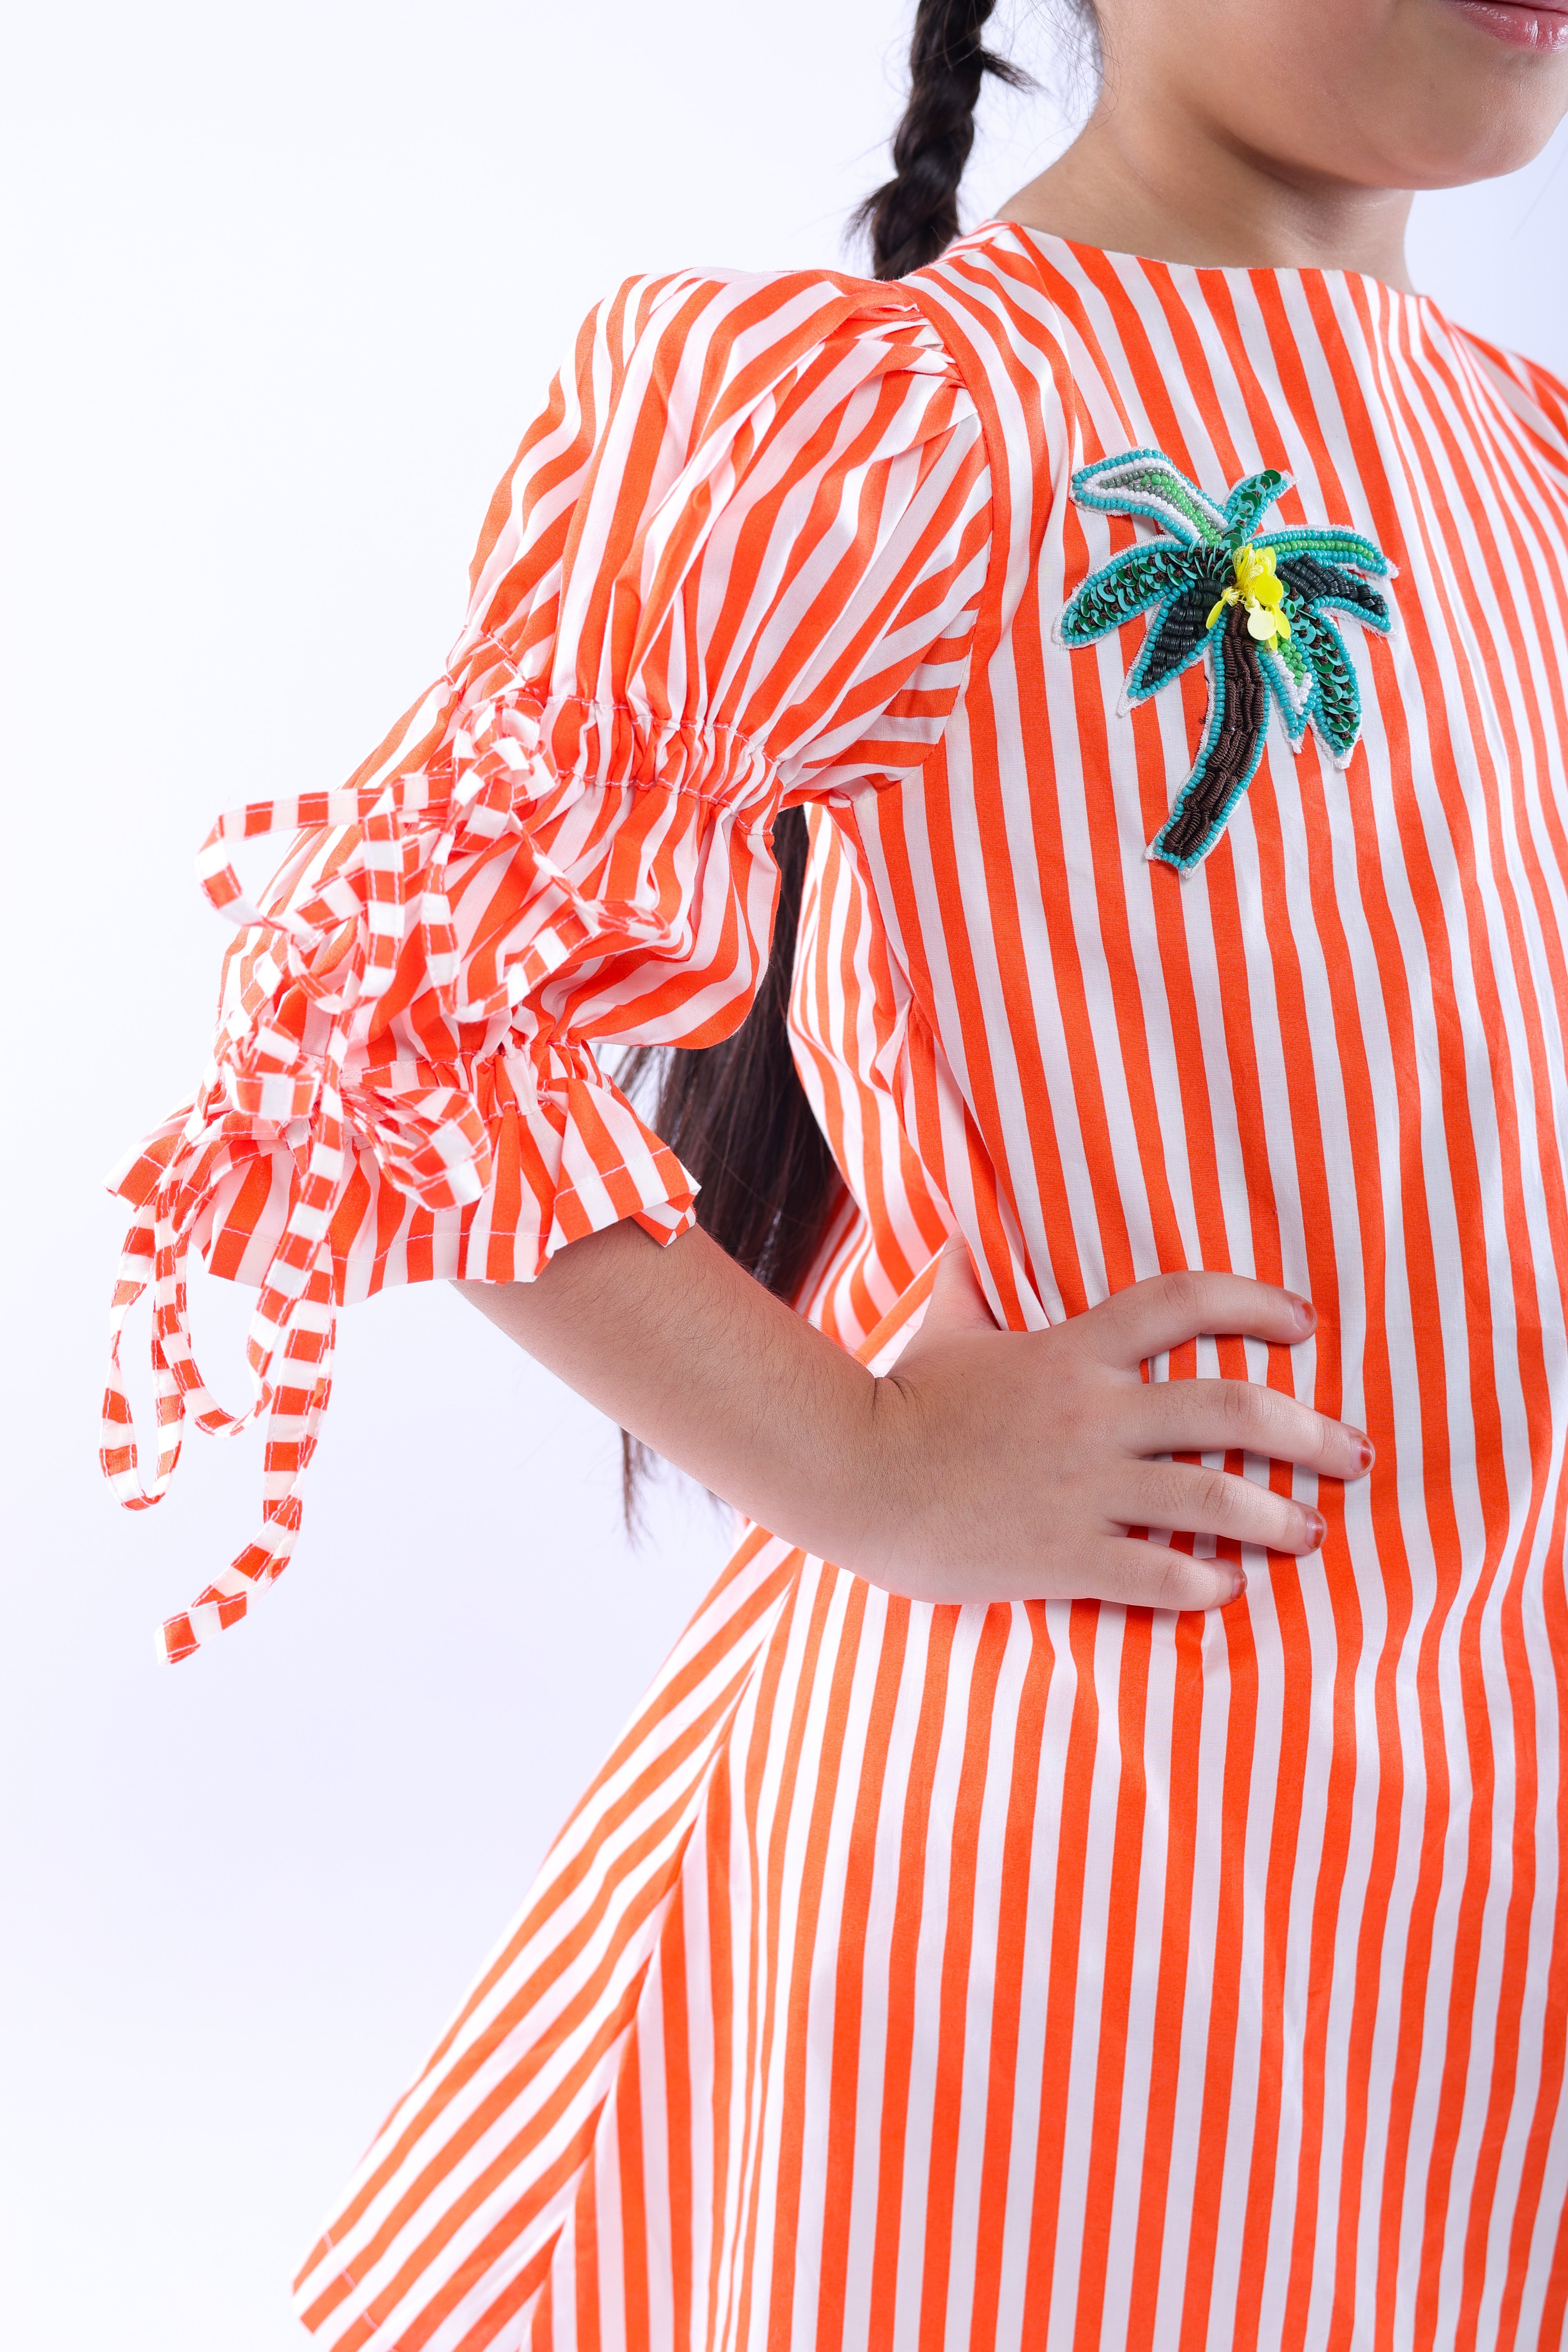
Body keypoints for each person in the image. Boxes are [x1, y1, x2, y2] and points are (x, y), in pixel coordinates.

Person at [102, 0, 1568, 2342]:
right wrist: (870, 1463)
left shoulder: (1524, 454)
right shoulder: (931, 424)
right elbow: (375, 1001)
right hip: (1091, 1893)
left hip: (1462, 1888)